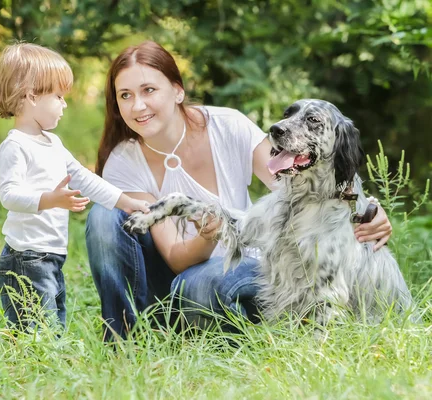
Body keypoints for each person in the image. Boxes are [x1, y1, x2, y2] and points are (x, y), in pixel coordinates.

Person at [85, 41, 393, 341]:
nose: (137, 105)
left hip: (244, 269)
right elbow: (178, 259)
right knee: (104, 215)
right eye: (125, 95)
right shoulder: (123, 162)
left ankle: (237, 332)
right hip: (175, 278)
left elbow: (298, 179)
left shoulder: (226, 126)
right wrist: (208, 236)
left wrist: (364, 207)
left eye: (148, 90)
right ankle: (127, 339)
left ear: (177, 91)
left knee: (200, 283)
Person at [0, 42, 149, 333]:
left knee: (53, 320)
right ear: (31, 96)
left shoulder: (53, 143)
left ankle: (45, 368)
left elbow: (83, 178)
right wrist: (50, 200)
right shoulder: (15, 146)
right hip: (26, 257)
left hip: (50, 254)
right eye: (59, 97)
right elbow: (9, 195)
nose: (64, 104)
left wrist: (125, 202)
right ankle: (35, 371)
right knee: (38, 329)